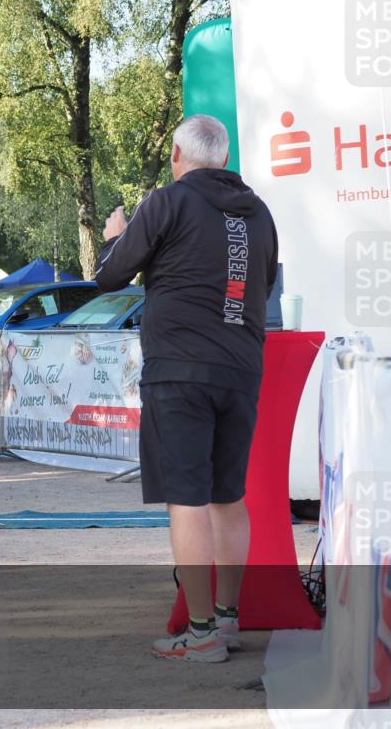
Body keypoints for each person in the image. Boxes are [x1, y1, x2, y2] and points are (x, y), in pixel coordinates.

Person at [94, 114, 279, 663]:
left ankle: (200, 633)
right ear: (223, 157)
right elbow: (262, 283)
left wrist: (114, 238)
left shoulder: (167, 202)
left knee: (188, 499)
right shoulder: (260, 212)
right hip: (241, 366)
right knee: (228, 496)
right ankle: (226, 620)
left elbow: (109, 275)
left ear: (178, 154)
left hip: (179, 369)